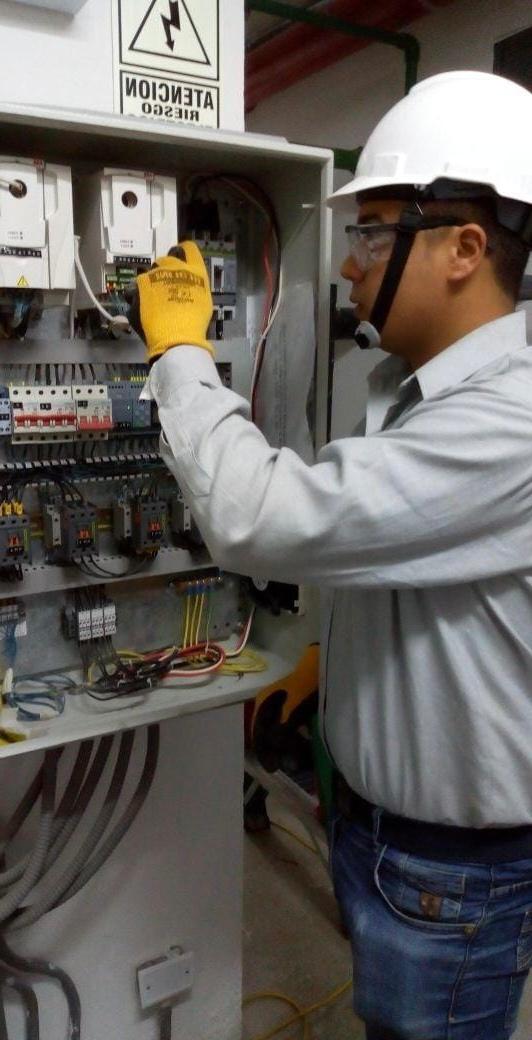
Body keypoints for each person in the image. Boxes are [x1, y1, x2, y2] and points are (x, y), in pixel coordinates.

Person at [136, 70, 532, 1039]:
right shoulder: (413, 388)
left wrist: (181, 353)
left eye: (373, 234)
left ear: (464, 247)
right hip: (383, 830)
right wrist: (329, 663)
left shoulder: (507, 421)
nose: (348, 264)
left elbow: (259, 514)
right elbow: (388, 556)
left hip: (453, 870)